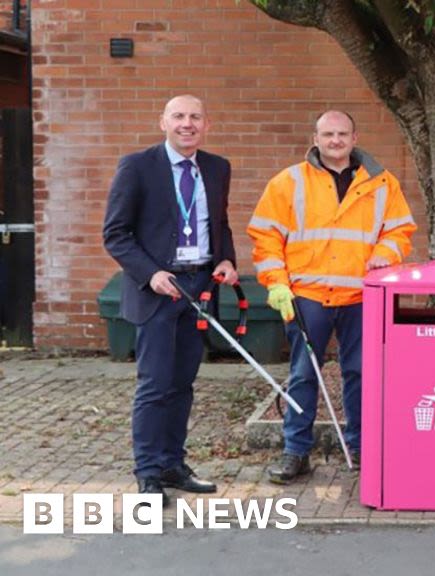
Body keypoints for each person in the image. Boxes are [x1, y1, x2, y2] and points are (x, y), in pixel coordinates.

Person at [248, 110, 416, 484]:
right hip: (307, 295)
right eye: (328, 134)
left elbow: (400, 230)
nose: (335, 141)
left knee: (360, 373)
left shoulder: (382, 183)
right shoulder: (288, 182)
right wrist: (276, 283)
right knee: (304, 373)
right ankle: (296, 452)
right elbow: (266, 236)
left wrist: (385, 255)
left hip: (361, 295)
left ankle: (360, 446)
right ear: (316, 138)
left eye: (342, 134)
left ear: (355, 138)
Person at [103, 94, 238, 505]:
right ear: (163, 121)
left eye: (195, 117)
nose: (187, 124)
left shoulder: (217, 167)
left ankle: (173, 465)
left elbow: (219, 223)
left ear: (207, 124)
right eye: (178, 116)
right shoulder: (138, 166)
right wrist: (151, 273)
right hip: (159, 290)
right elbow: (116, 234)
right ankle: (148, 474)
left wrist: (228, 259)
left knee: (183, 384)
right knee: (155, 385)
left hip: (199, 286)